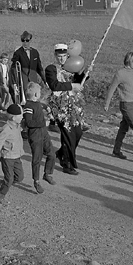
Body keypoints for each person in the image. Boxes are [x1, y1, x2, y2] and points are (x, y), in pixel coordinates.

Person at [45, 43, 86, 175]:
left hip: (73, 105)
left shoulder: (71, 66)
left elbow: (79, 81)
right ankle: (67, 164)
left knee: (78, 132)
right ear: (55, 55)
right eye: (59, 56)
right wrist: (72, 85)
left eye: (64, 56)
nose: (61, 59)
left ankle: (62, 153)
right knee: (68, 133)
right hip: (59, 106)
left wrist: (83, 73)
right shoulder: (50, 69)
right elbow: (54, 85)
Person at [104, 51, 133, 162]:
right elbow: (112, 88)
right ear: (129, 61)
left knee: (123, 128)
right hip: (126, 105)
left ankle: (116, 150)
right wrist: (107, 103)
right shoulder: (120, 73)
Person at [23, 82, 55, 193]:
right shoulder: (28, 106)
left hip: (44, 133)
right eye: (40, 92)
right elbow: (29, 122)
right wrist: (43, 123)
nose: (41, 94)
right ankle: (36, 181)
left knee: (51, 153)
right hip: (35, 134)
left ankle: (47, 173)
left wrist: (49, 110)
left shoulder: (38, 104)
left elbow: (43, 106)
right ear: (35, 94)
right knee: (37, 159)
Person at [0, 104, 25, 205]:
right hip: (7, 157)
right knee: (10, 178)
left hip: (17, 156)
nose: (22, 117)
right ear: (14, 118)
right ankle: (0, 196)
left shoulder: (18, 126)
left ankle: (4, 182)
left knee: (20, 177)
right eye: (21, 115)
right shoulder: (6, 128)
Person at [10, 30, 45, 102]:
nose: (25, 42)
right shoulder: (18, 52)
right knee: (24, 100)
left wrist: (45, 80)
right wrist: (14, 82)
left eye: (27, 40)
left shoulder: (35, 52)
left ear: (30, 40)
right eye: (23, 40)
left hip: (33, 80)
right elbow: (13, 68)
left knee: (34, 99)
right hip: (23, 80)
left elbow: (39, 68)